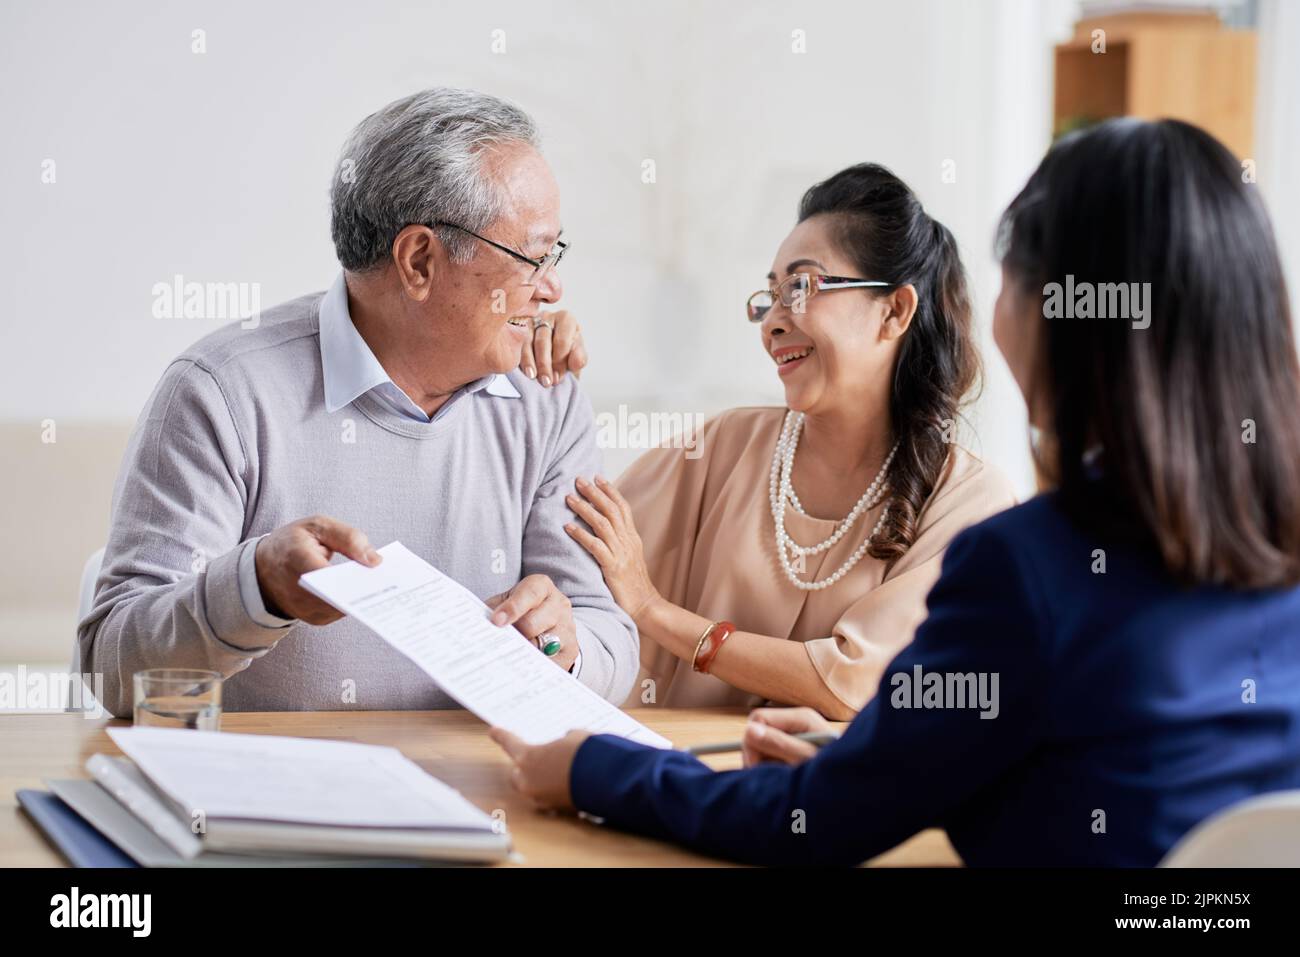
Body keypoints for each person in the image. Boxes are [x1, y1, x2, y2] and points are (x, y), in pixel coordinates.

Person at [492, 118, 1300, 866]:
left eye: (1013, 278)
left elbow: (817, 820)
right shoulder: (1271, 561)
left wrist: (593, 769)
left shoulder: (1025, 567)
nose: (775, 320)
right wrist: (874, 751)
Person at [78, 88, 638, 717]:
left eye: (554, 254)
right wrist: (256, 588)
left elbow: (608, 637)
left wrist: (564, 651)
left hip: (488, 799)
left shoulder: (546, 395)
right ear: (420, 259)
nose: (553, 288)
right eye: (533, 257)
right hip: (273, 801)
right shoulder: (222, 391)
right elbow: (112, 670)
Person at [561, 164, 1014, 718]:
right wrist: (537, 371)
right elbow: (567, 548)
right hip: (672, 783)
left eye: (801, 286)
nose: (772, 322)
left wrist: (655, 612)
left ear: (894, 310)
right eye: (770, 295)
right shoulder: (724, 446)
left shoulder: (970, 501)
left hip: (834, 802)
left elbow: (857, 683)